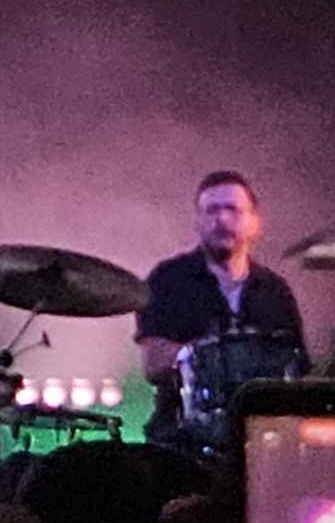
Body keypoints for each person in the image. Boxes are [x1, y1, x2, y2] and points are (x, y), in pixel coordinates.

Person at [132, 172, 308, 450]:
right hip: (181, 441)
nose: (222, 219)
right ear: (198, 222)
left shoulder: (275, 291)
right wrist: (200, 356)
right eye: (212, 210)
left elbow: (298, 368)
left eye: (233, 210)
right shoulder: (167, 279)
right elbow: (153, 364)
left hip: (264, 441)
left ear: (255, 223)